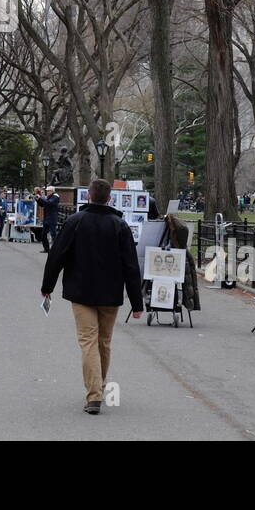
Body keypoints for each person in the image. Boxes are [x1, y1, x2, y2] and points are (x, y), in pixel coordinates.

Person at [40, 178, 144, 415]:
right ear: (109, 198)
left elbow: (57, 255)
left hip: (81, 291)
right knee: (104, 342)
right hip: (110, 292)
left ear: (88, 196)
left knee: (88, 341)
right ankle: (99, 386)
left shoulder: (75, 222)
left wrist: (48, 286)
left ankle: (94, 394)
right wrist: (137, 302)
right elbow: (131, 266)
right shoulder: (120, 225)